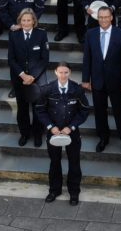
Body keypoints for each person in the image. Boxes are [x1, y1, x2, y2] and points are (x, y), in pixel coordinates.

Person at [82, 6, 121, 157]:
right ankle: (103, 138)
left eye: (106, 17)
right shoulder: (90, 34)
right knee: (99, 112)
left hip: (117, 82)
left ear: (111, 17)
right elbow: (87, 59)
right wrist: (86, 79)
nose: (103, 20)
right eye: (101, 17)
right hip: (97, 81)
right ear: (97, 18)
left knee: (120, 113)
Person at [36, 62, 90, 206]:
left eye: (66, 72)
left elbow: (84, 110)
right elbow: (40, 110)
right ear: (55, 72)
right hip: (53, 132)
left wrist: (71, 127)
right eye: (60, 72)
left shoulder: (77, 89)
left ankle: (74, 192)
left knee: (74, 162)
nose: (63, 75)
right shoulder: (46, 89)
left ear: (70, 73)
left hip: (71, 132)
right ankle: (54, 190)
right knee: (54, 162)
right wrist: (50, 126)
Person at [8, 9, 49, 147]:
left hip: (37, 79)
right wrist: (23, 75)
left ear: (34, 21)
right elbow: (11, 59)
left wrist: (32, 76)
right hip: (19, 78)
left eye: (28, 20)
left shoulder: (41, 34)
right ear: (20, 21)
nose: (26, 23)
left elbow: (44, 59)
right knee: (22, 108)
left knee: (38, 108)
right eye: (23, 20)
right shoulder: (14, 35)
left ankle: (38, 134)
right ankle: (25, 134)